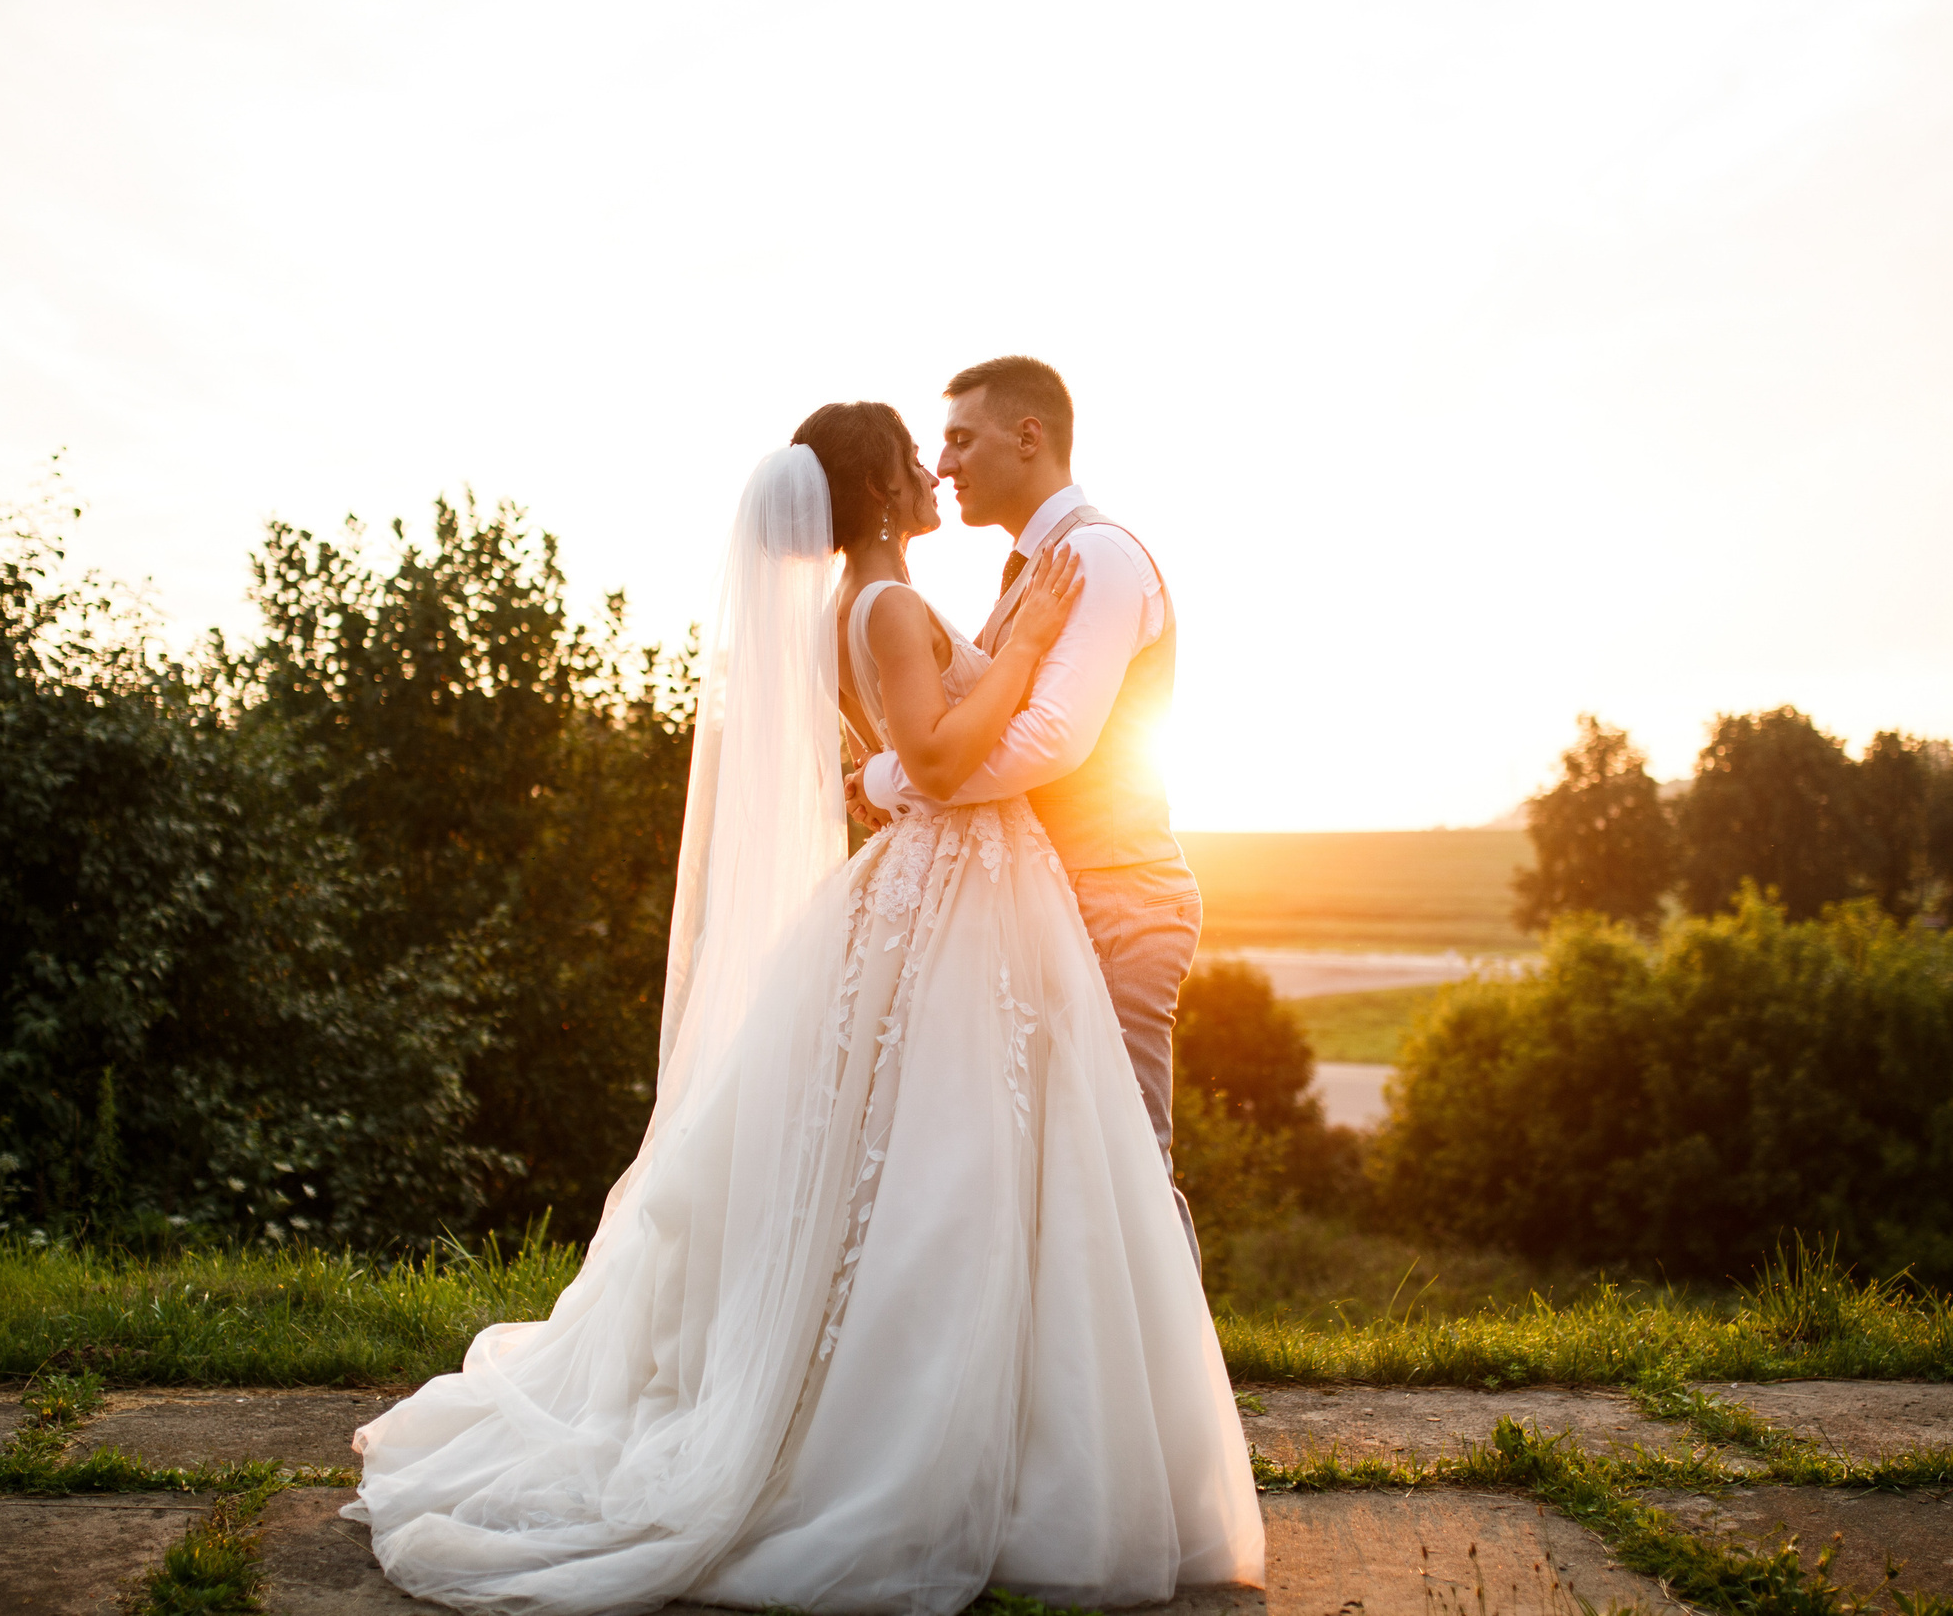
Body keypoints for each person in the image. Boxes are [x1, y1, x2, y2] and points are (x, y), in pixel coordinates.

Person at [341, 403, 1264, 1616]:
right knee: (960, 1168)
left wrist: (925, 733)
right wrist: (1029, 645)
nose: (935, 470)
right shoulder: (883, 606)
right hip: (958, 886)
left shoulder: (863, 605)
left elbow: (903, 761)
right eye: (916, 457)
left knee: (963, 1164)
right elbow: (940, 761)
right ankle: (959, 1443)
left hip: (960, 885)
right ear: (878, 491)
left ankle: (1023, 1430)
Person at [848, 356, 1203, 1263]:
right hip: (1051, 900)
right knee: (1055, 1169)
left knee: (1125, 1166)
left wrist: (894, 780)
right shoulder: (1034, 572)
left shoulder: (1097, 557)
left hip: (1115, 897)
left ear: (1029, 436)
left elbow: (1050, 739)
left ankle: (1177, 1359)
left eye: (962, 439)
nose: (944, 463)